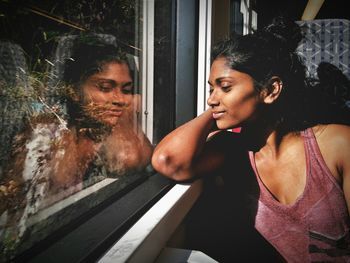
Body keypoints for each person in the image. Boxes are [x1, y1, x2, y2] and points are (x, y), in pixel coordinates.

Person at [152, 17, 350, 262]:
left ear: (270, 91)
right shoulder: (232, 151)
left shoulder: (337, 144)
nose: (210, 99)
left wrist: (222, 106)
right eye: (210, 89)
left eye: (225, 87)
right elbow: (168, 160)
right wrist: (216, 110)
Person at [0, 36, 152, 260]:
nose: (119, 99)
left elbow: (132, 159)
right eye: (105, 87)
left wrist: (124, 109)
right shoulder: (46, 135)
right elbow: (13, 215)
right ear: (74, 89)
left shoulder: (101, 133)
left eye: (126, 89)